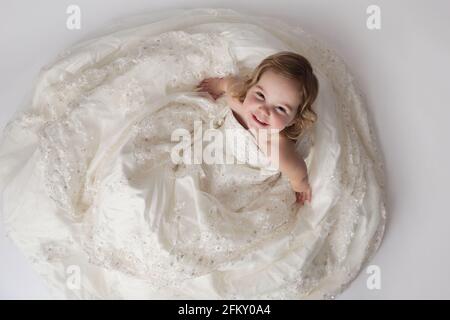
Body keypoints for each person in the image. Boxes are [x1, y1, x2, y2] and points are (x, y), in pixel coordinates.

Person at [196, 51, 319, 205]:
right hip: (223, 145)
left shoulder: (277, 149)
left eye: (280, 108)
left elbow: (298, 173)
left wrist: (301, 186)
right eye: (260, 95)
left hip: (248, 168)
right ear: (250, 87)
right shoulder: (238, 99)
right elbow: (230, 84)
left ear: (294, 119)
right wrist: (219, 85)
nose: (264, 110)